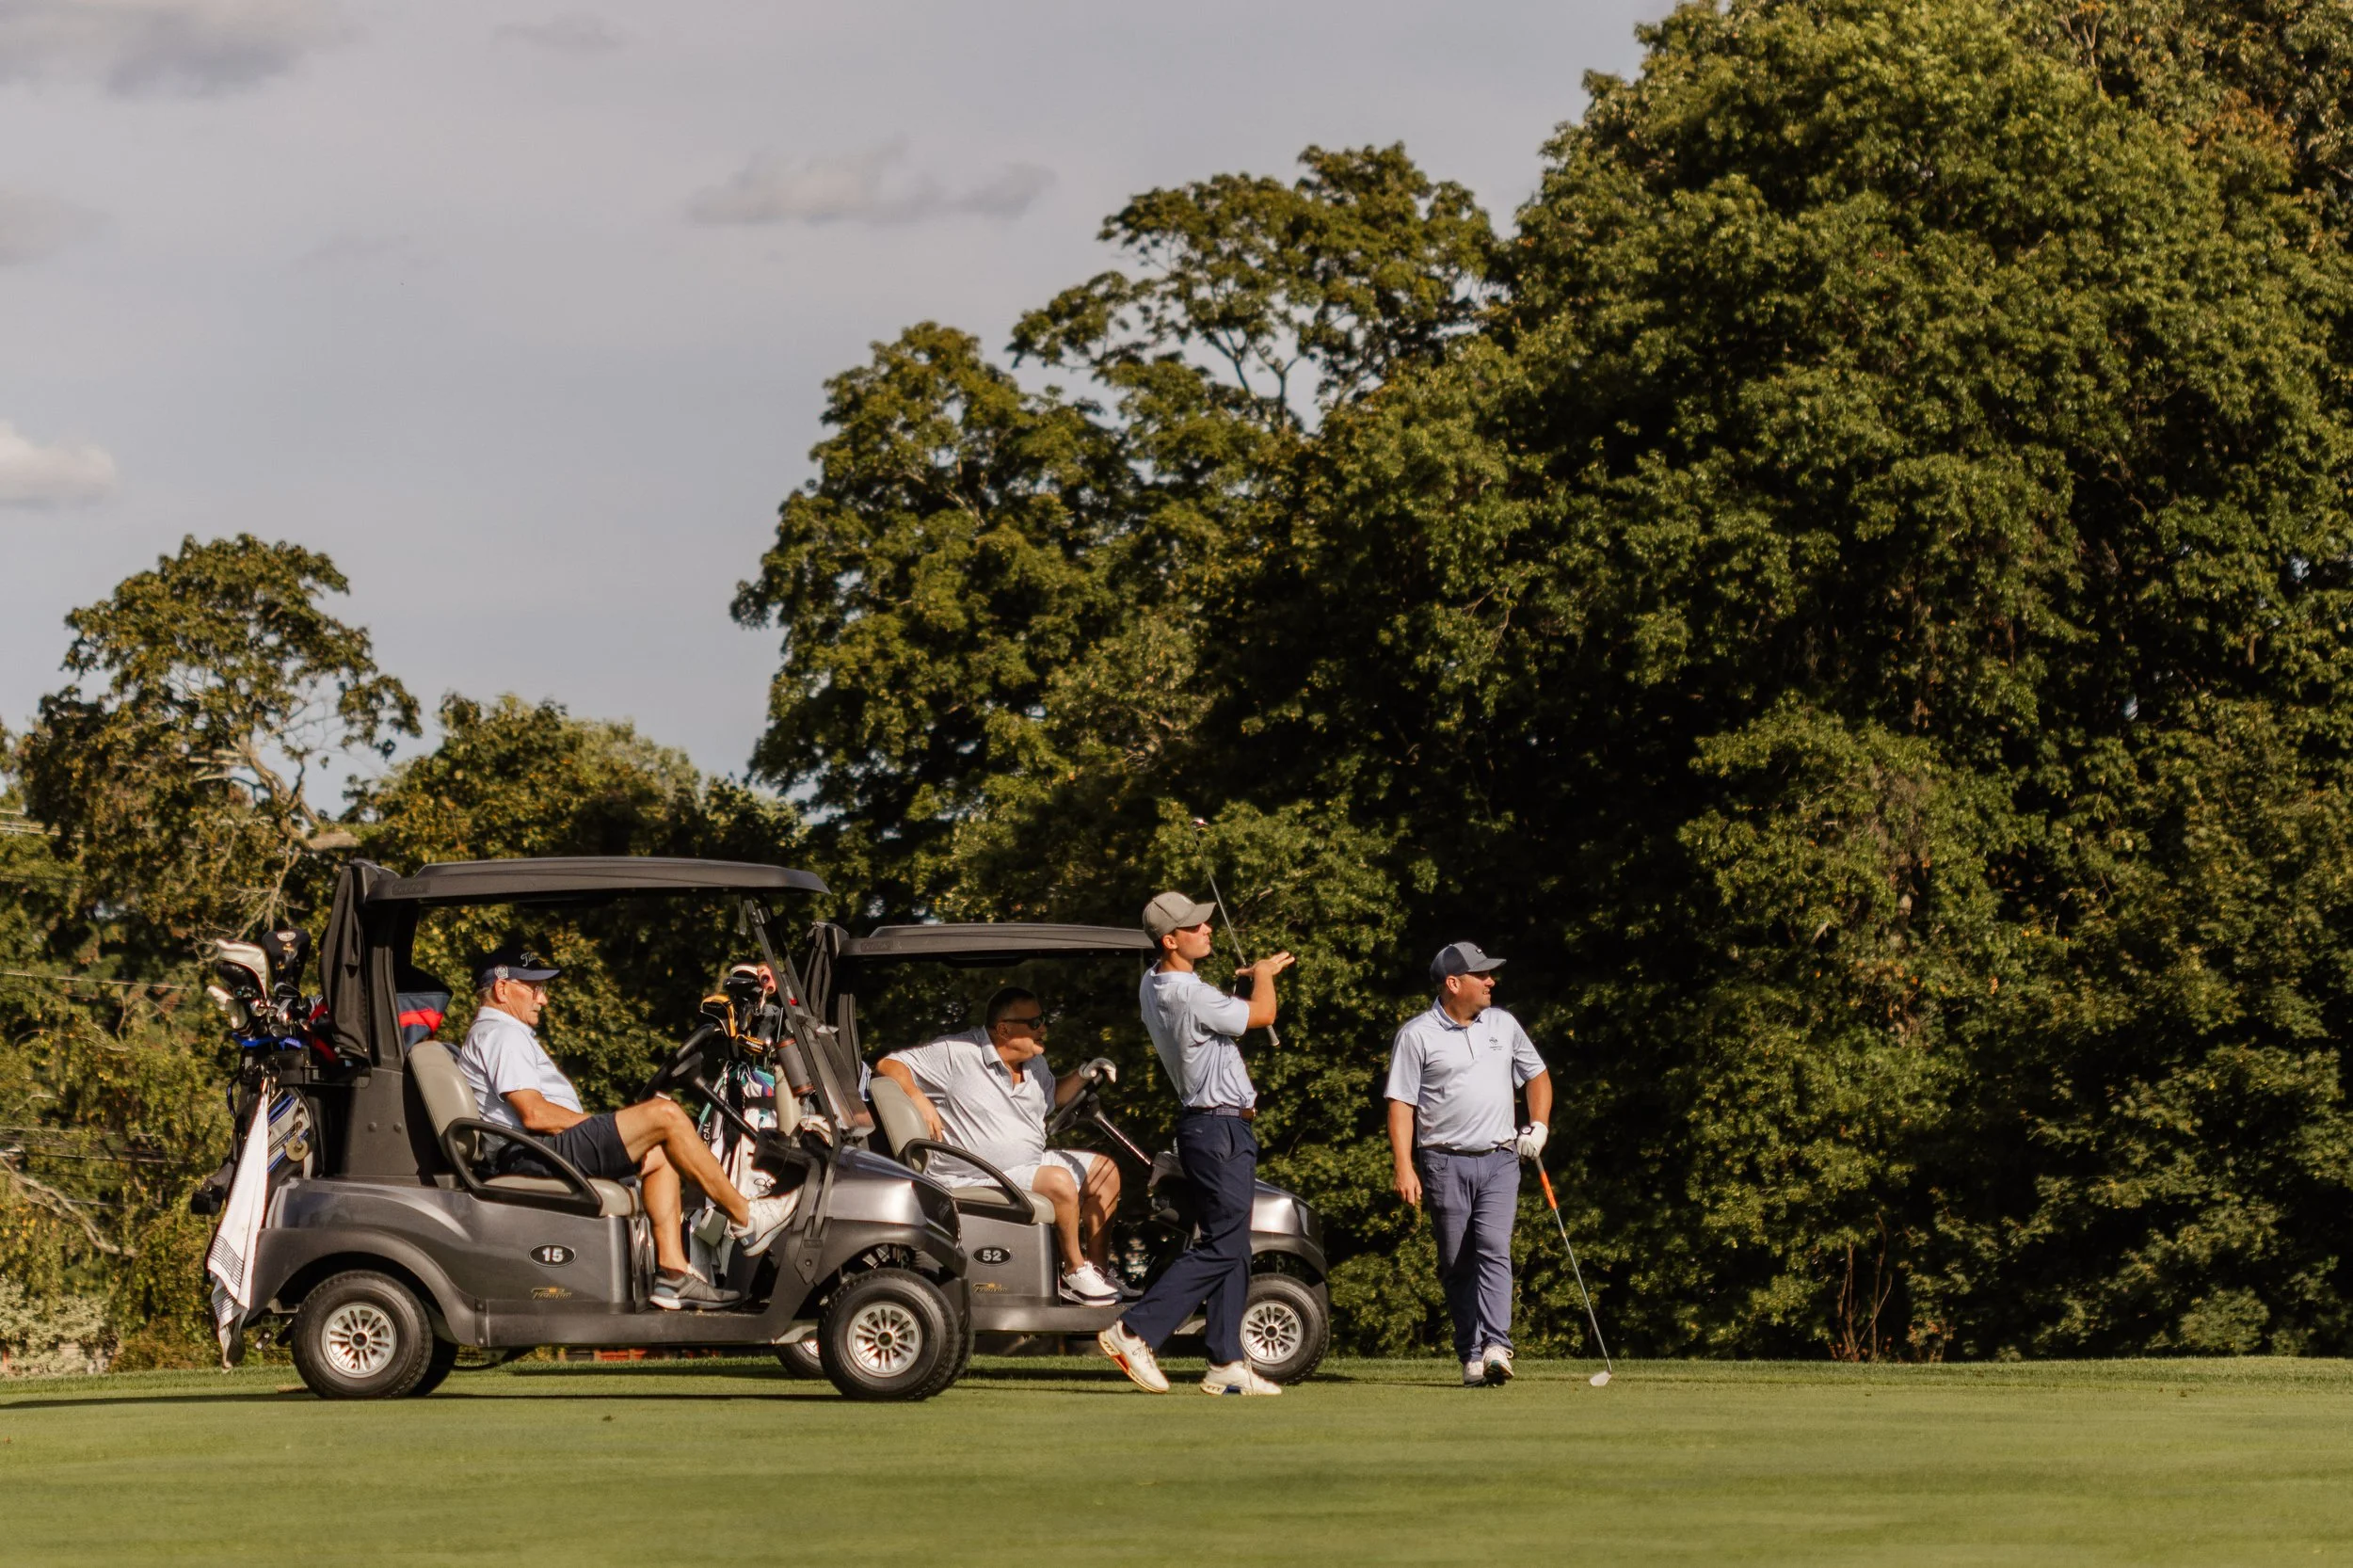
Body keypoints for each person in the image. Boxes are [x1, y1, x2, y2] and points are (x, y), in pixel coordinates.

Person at [456, 945, 799, 1310]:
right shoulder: (501, 1034)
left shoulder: (501, 1034)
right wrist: (604, 1125)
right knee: (663, 1115)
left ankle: (673, 1275)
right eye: (534, 988)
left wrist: (615, 1128)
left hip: (538, 1148)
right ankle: (748, 1219)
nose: (543, 999)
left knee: (658, 1150)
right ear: (502, 989)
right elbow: (534, 1114)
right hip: (530, 1150)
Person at [1097, 891, 1294, 1397]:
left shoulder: (1155, 981)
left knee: (1233, 1244)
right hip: (1219, 1128)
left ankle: (1226, 1361)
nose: (1207, 930)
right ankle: (1134, 1330)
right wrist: (1265, 976)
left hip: (1211, 1127)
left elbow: (1212, 1010)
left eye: (1206, 923)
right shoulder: (1187, 994)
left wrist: (1237, 988)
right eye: (1195, 927)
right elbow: (1264, 1014)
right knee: (1226, 1243)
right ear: (1170, 940)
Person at [875, 986, 1124, 1305]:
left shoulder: (1034, 1064)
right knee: (1059, 1182)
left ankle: (1097, 1273)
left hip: (1026, 1164)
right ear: (1004, 1029)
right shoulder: (958, 1053)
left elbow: (1054, 1099)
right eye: (1036, 1022)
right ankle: (1074, 1273)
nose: (1044, 1028)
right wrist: (917, 1096)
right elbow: (889, 1065)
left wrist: (1084, 1073)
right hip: (973, 1174)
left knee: (1105, 1172)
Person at [1385, 941, 1553, 1386]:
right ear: (1453, 983)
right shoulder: (1417, 1034)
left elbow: (1536, 1075)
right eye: (1482, 975)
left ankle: (1498, 1346)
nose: (1491, 981)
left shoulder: (1503, 1023)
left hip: (1500, 1159)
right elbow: (1401, 1103)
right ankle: (1472, 1354)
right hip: (1443, 1163)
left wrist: (1538, 1126)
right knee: (1457, 1262)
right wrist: (1405, 1166)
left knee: (1494, 1247)